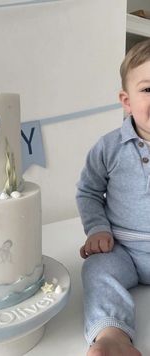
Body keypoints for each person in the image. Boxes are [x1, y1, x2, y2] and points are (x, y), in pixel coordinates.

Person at [75, 39, 150, 356]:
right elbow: (88, 191)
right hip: (123, 250)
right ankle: (111, 334)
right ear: (126, 100)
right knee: (97, 270)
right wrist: (97, 229)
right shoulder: (109, 147)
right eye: (148, 89)